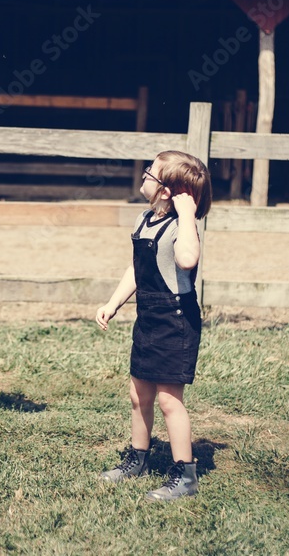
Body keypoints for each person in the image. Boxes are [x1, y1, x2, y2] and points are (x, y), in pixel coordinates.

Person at [95, 150, 212, 501]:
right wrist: (114, 303)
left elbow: (187, 260)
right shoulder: (143, 220)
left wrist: (189, 214)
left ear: (165, 190)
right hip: (148, 315)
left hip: (175, 320)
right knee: (138, 394)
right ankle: (138, 459)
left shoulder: (181, 227)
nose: (144, 174)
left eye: (151, 172)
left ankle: (185, 476)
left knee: (169, 401)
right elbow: (136, 269)